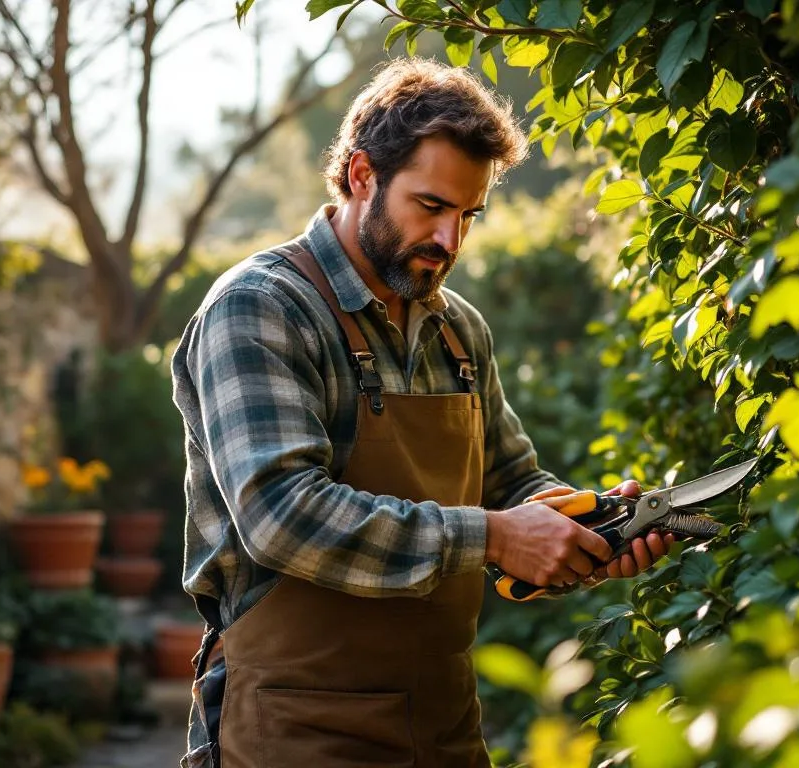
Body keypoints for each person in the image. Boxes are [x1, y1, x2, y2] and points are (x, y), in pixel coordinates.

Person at [169, 58, 673, 768]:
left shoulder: (459, 330)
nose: (450, 241)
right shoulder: (260, 308)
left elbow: (509, 483)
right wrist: (495, 539)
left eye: (468, 215)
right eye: (431, 207)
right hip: (296, 730)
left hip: (443, 727)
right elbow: (281, 516)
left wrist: (586, 529)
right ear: (360, 176)